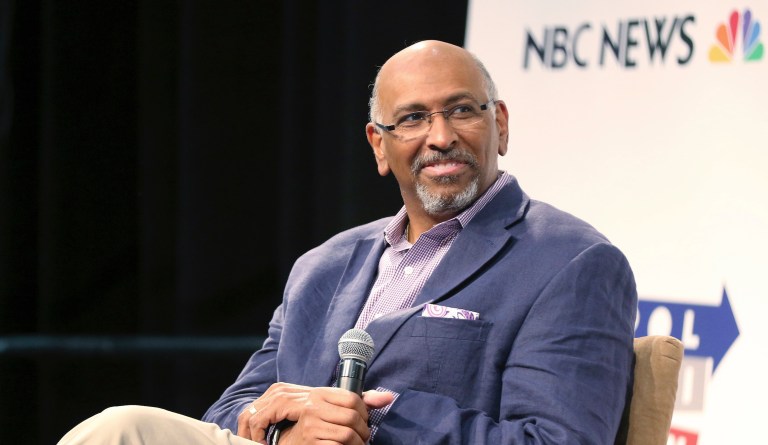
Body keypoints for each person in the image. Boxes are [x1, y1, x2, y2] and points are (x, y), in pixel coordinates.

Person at [59, 40, 637, 445]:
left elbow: (557, 439)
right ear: (379, 147)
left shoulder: (571, 262)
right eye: (411, 119)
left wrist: (368, 421)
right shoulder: (324, 265)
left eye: (462, 110)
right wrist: (287, 427)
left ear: (500, 124)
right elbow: (232, 412)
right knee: (121, 429)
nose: (439, 137)